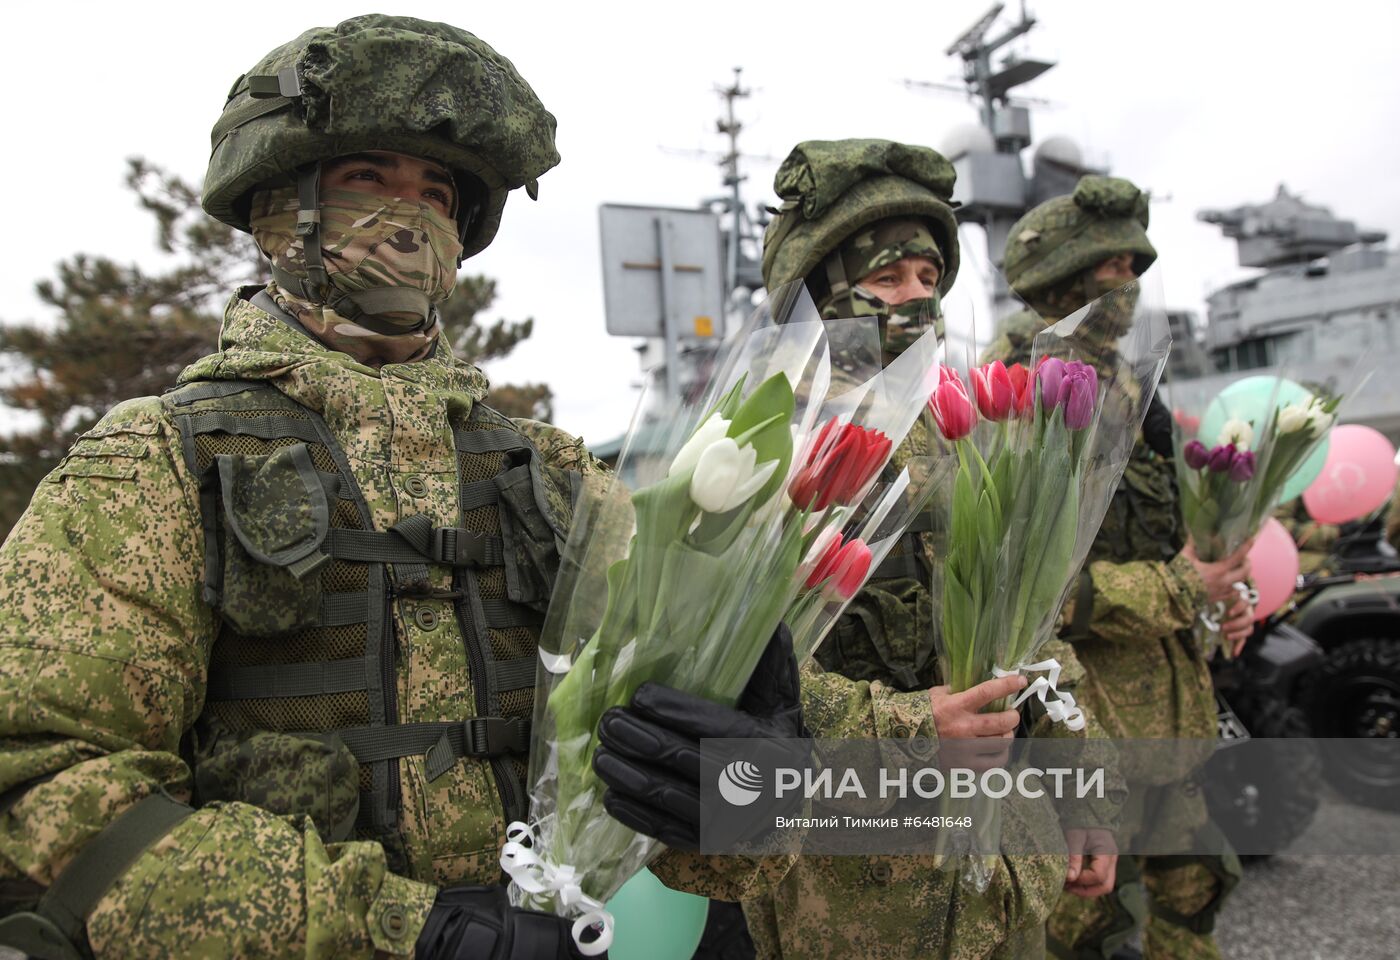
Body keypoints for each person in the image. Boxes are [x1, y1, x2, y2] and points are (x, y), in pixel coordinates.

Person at [0, 16, 802, 960]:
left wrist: (748, 791)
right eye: (368, 180)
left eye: (436, 193)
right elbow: (47, 776)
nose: (410, 219)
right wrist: (404, 934)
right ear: (274, 211)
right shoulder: (159, 462)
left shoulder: (555, 474)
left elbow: (677, 802)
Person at [701, 138, 1123, 960]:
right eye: (887, 278)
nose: (915, 299)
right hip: (854, 891)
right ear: (824, 291)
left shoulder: (957, 432)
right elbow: (723, 678)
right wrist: (911, 726)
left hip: (1001, 872)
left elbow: (1034, 630)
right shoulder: (753, 445)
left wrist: (1088, 793)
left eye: (929, 279)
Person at [985, 176, 1251, 960]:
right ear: (1064, 280)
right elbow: (1017, 591)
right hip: (1084, 716)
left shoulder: (1134, 386)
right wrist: (1178, 589)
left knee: (1197, 888)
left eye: (1138, 269)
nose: (1129, 289)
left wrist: (1219, 599)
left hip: (1170, 711)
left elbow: (1169, 542)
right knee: (1082, 924)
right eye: (1111, 273)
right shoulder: (1019, 386)